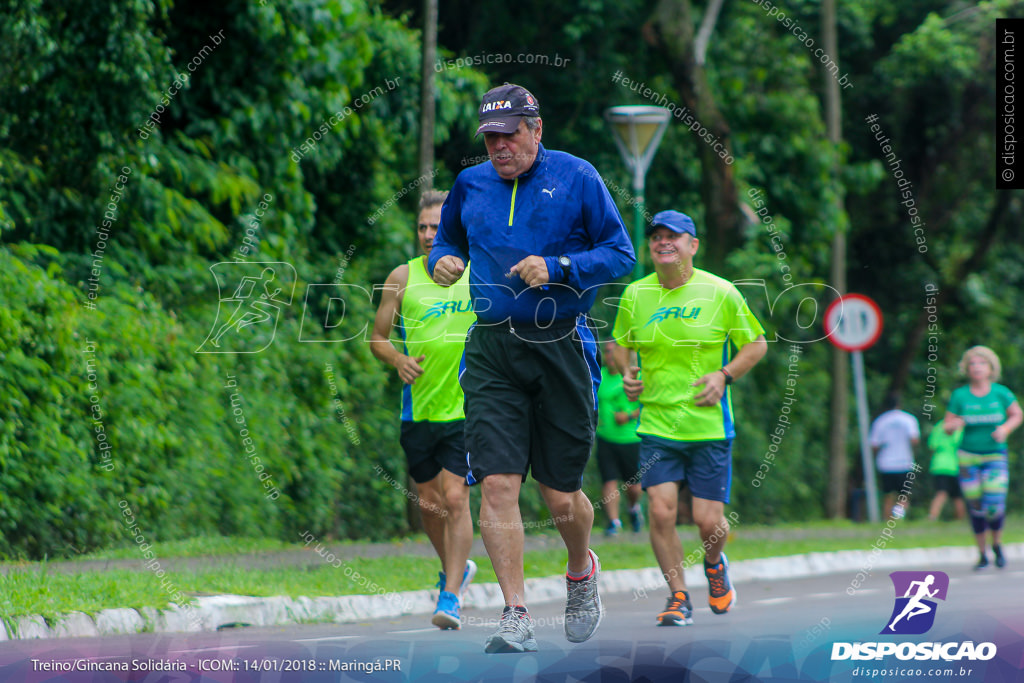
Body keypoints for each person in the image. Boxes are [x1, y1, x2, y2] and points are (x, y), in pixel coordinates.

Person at [429, 83, 635, 653]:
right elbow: (446, 239)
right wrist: (442, 259)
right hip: (492, 348)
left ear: (536, 129)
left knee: (560, 493)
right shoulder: (470, 185)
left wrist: (560, 265)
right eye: (490, 137)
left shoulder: (577, 176)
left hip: (562, 345)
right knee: (496, 483)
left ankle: (580, 569)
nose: (500, 146)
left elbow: (621, 254)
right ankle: (515, 613)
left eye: (509, 134)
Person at [610, 210, 767, 627]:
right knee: (660, 511)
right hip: (657, 426)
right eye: (657, 237)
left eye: (673, 237)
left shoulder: (721, 292)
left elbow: (756, 344)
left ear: (692, 245)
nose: (664, 242)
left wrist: (724, 374)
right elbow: (619, 343)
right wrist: (627, 373)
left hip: (708, 426)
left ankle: (715, 566)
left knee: (706, 521)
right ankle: (678, 595)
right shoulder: (635, 295)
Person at [370, 190, 477, 629]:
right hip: (418, 411)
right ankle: (457, 568)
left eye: (438, 227)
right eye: (423, 227)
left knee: (456, 498)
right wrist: (398, 359)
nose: (430, 235)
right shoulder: (402, 277)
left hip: (469, 409)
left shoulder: (478, 272)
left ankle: (450, 595)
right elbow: (377, 337)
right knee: (429, 506)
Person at [943, 345, 1022, 569]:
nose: (977, 368)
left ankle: (997, 544)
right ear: (967, 369)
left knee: (993, 505)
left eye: (981, 363)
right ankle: (982, 553)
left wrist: (1005, 429)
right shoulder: (960, 395)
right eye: (972, 364)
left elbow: (1017, 414)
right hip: (968, 456)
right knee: (975, 504)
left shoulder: (1001, 393)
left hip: (995, 455)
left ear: (990, 368)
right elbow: (947, 426)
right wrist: (954, 425)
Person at [595, 339, 643, 536]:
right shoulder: (600, 376)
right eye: (606, 352)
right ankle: (614, 522)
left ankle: (633, 509)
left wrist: (629, 415)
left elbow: (648, 405)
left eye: (612, 352)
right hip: (605, 437)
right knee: (608, 480)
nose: (608, 356)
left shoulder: (633, 376)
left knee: (632, 485)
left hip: (630, 439)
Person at [869, 394, 921, 520]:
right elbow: (914, 439)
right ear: (899, 404)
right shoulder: (909, 419)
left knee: (888, 495)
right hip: (904, 462)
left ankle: (887, 519)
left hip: (885, 463)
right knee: (904, 495)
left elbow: (874, 444)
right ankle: (898, 519)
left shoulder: (880, 420)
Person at [926, 424, 966, 521]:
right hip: (955, 465)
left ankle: (932, 517)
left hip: (939, 465)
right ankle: (960, 520)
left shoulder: (938, 426)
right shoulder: (961, 427)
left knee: (942, 493)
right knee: (958, 496)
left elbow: (932, 445)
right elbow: (960, 443)